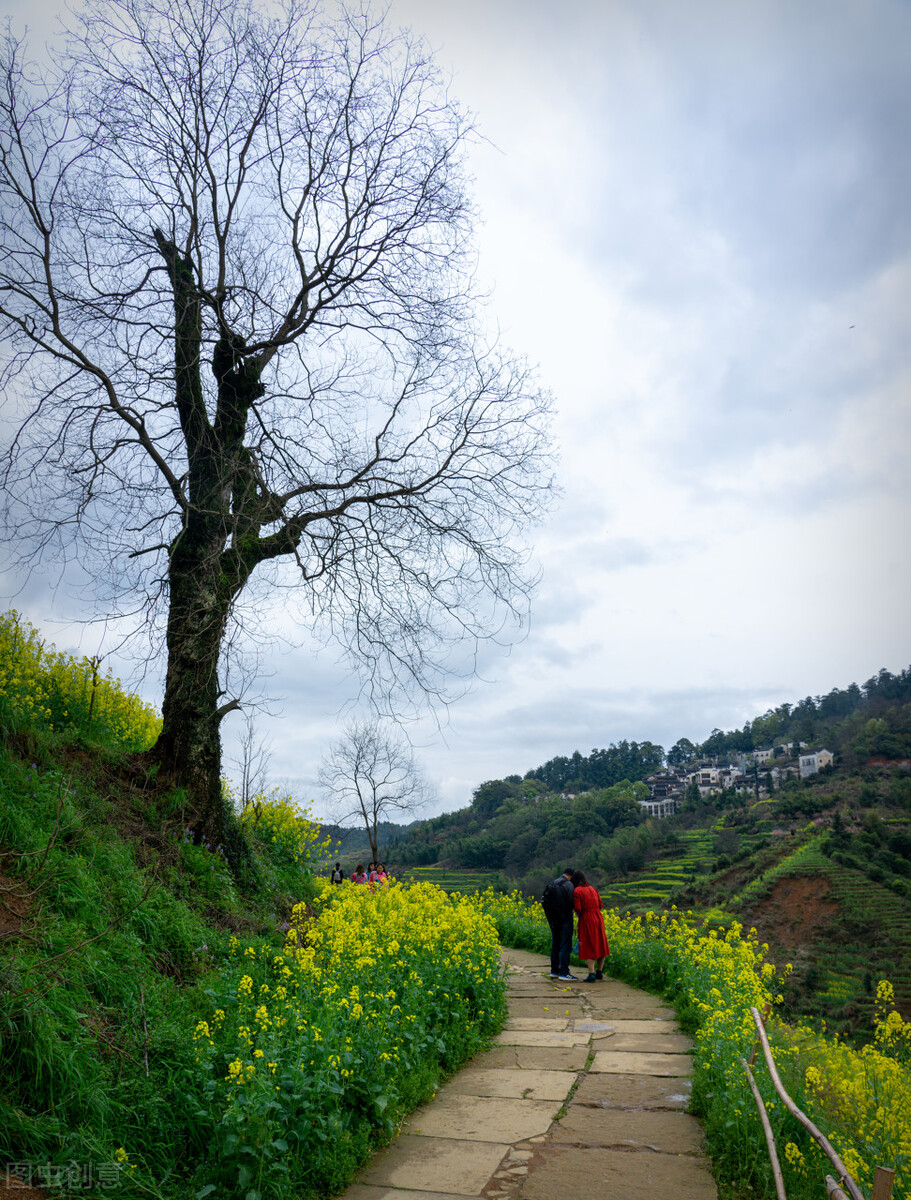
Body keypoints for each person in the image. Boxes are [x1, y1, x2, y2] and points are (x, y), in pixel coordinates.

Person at [571, 870, 609, 982]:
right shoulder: (593, 889)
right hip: (598, 918)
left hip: (587, 919)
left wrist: (581, 914)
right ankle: (599, 972)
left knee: (588, 945)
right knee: (601, 944)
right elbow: (601, 904)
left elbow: (578, 908)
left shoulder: (577, 891)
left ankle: (591, 975)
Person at [542, 867, 577, 981]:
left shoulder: (553, 883)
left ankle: (554, 971)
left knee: (555, 943)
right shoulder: (568, 885)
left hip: (553, 919)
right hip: (565, 918)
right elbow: (572, 902)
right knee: (565, 945)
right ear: (571, 876)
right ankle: (564, 973)